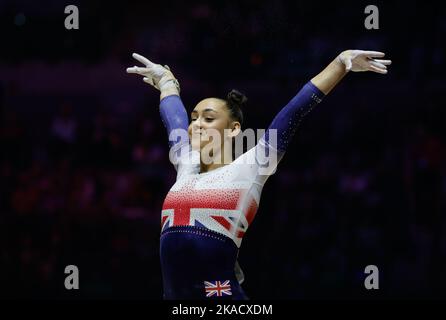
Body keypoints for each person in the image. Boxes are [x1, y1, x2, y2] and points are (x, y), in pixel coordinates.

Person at [126, 50, 392, 299]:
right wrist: (167, 82)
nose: (195, 124)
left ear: (233, 129)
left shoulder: (250, 167)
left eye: (208, 119)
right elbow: (174, 120)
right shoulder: (186, 164)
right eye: (194, 118)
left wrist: (339, 63)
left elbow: (293, 113)